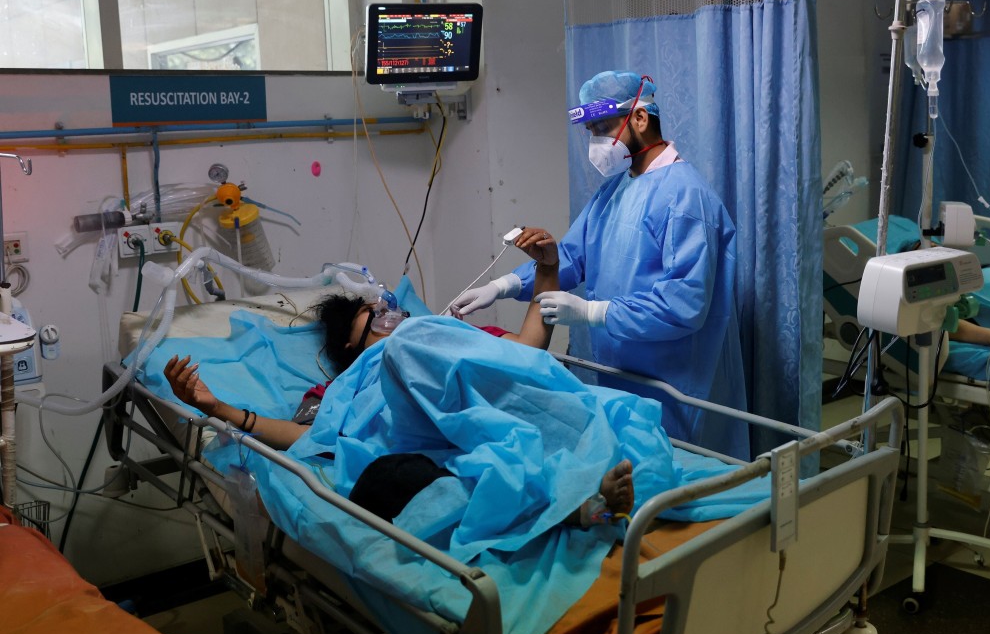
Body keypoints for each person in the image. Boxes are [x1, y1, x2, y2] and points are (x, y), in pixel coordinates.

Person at [452, 70, 749, 459]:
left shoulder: (685, 198)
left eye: (603, 128)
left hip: (677, 381)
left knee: (680, 476)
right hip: (623, 375)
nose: (597, 143)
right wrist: (503, 286)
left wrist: (593, 311)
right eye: (591, 131)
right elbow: (573, 258)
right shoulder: (615, 190)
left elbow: (685, 304)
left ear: (639, 119)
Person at [163, 226, 561, 449]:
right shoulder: (336, 391)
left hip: (517, 420)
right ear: (351, 345)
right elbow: (305, 436)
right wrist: (217, 408)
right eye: (371, 315)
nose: (388, 314)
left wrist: (546, 269)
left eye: (390, 308)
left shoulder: (453, 334)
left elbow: (528, 350)